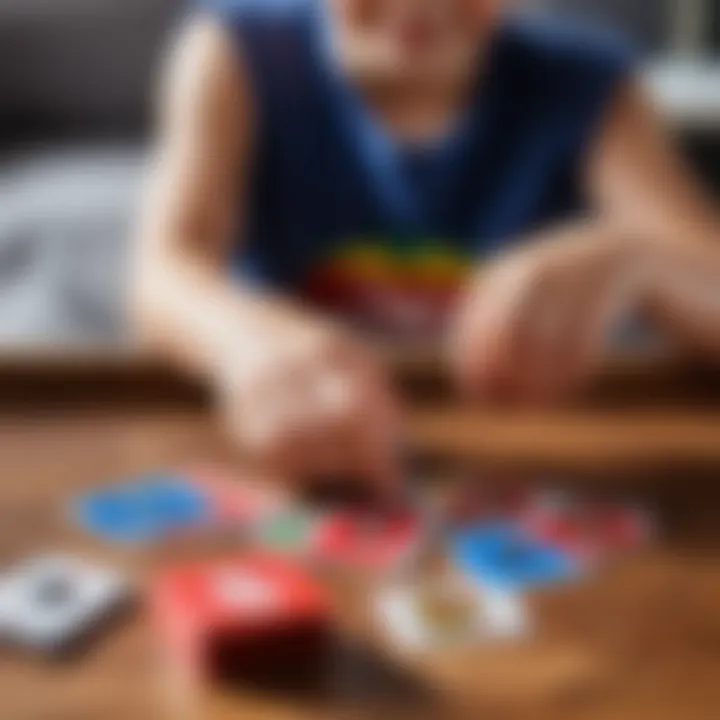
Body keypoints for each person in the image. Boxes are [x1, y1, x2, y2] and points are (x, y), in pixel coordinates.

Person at [132, 0, 718, 492]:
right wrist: (240, 339)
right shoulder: (234, 49)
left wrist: (638, 256)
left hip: (517, 447)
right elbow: (160, 272)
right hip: (292, 449)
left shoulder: (591, 82)